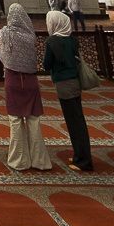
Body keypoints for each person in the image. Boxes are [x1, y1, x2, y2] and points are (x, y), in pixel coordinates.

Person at [0, 3, 52, 172]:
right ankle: (40, 161)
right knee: (34, 120)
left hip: (13, 80)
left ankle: (19, 160)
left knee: (15, 120)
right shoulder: (30, 36)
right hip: (31, 81)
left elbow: (3, 56)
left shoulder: (6, 33)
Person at [43, 9, 93, 173]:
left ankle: (84, 161)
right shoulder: (72, 40)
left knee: (74, 122)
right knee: (78, 119)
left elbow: (47, 65)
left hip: (64, 84)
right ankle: (80, 155)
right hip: (75, 82)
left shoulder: (52, 42)